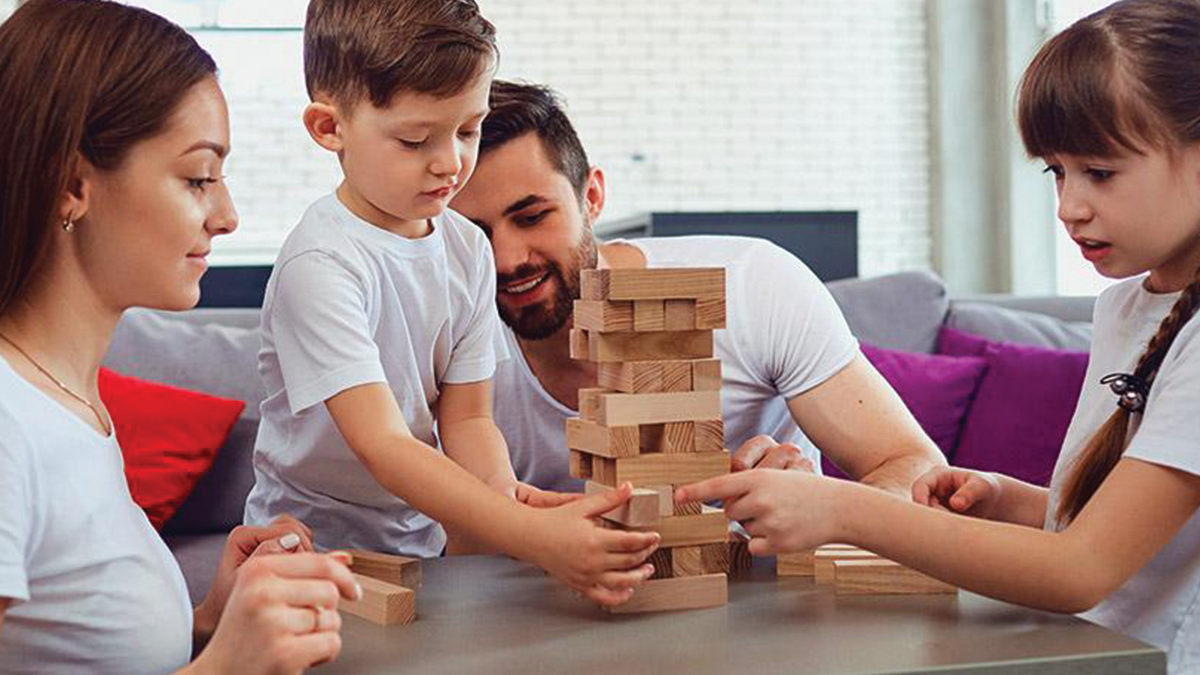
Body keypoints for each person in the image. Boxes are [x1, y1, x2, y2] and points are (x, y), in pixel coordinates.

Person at [678, 1, 1200, 671]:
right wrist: (1012, 501)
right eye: (1056, 172)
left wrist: (846, 510)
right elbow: (1138, 532)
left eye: (1100, 172)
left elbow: (1083, 568)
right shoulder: (1127, 305)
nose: (1069, 206)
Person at [243, 0, 659, 607]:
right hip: (310, 547)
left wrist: (501, 496)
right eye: (415, 140)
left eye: (469, 130)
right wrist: (527, 532)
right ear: (329, 129)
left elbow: (465, 419)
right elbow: (382, 444)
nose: (451, 163)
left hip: (420, 540)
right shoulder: (322, 265)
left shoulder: (466, 245)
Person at [0, 2, 360, 674]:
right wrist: (226, 666)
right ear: (72, 184)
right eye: (197, 177)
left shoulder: (75, 408)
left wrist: (208, 619)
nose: (227, 215)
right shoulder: (8, 424)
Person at [449, 81, 945, 495]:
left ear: (592, 196)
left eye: (533, 217)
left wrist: (827, 505)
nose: (507, 260)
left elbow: (915, 466)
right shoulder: (446, 340)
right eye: (474, 235)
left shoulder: (755, 284)